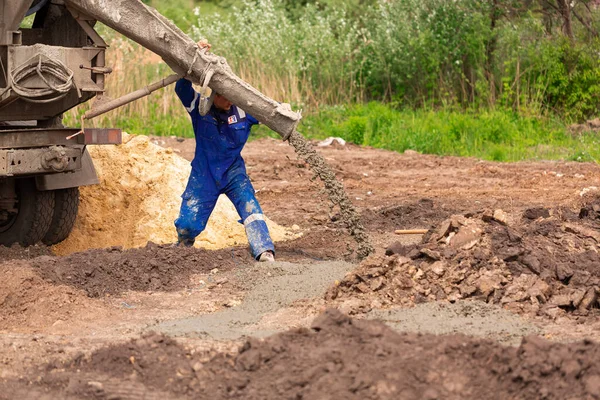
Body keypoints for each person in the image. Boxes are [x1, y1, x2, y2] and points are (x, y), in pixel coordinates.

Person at [174, 40, 275, 262]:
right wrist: (195, 54)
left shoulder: (244, 111)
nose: (229, 100)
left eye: (232, 95)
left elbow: (269, 113)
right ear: (214, 94)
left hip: (233, 173)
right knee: (188, 224)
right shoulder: (200, 108)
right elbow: (181, 87)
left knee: (251, 209)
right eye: (224, 96)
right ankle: (181, 252)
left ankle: (264, 251)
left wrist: (283, 114)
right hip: (205, 174)